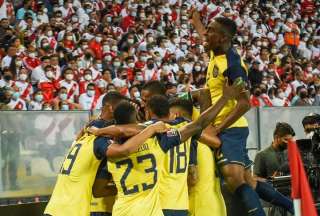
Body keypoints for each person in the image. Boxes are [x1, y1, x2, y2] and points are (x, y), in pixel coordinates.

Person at [90, 79, 243, 216]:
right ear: (170, 112)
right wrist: (225, 98)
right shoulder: (172, 132)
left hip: (145, 204)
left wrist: (99, 130)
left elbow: (125, 130)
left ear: (149, 110)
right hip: (178, 203)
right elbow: (208, 134)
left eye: (145, 102)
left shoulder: (125, 143)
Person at [191, 14, 294, 215]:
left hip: (229, 128)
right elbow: (204, 33)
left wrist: (218, 129)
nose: (205, 34)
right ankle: (294, 208)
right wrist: (195, 20)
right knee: (249, 181)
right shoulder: (217, 51)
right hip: (226, 127)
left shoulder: (233, 65)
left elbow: (245, 103)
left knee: (234, 178)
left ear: (222, 38)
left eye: (210, 31)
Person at [45, 91, 159, 216]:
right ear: (111, 108)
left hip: (55, 207)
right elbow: (124, 148)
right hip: (72, 209)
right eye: (122, 107)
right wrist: (151, 128)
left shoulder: (88, 131)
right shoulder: (101, 137)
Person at [168, 98, 226, 216]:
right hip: (217, 206)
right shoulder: (208, 142)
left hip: (198, 206)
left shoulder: (188, 142)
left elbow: (192, 179)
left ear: (175, 115)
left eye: (168, 115)